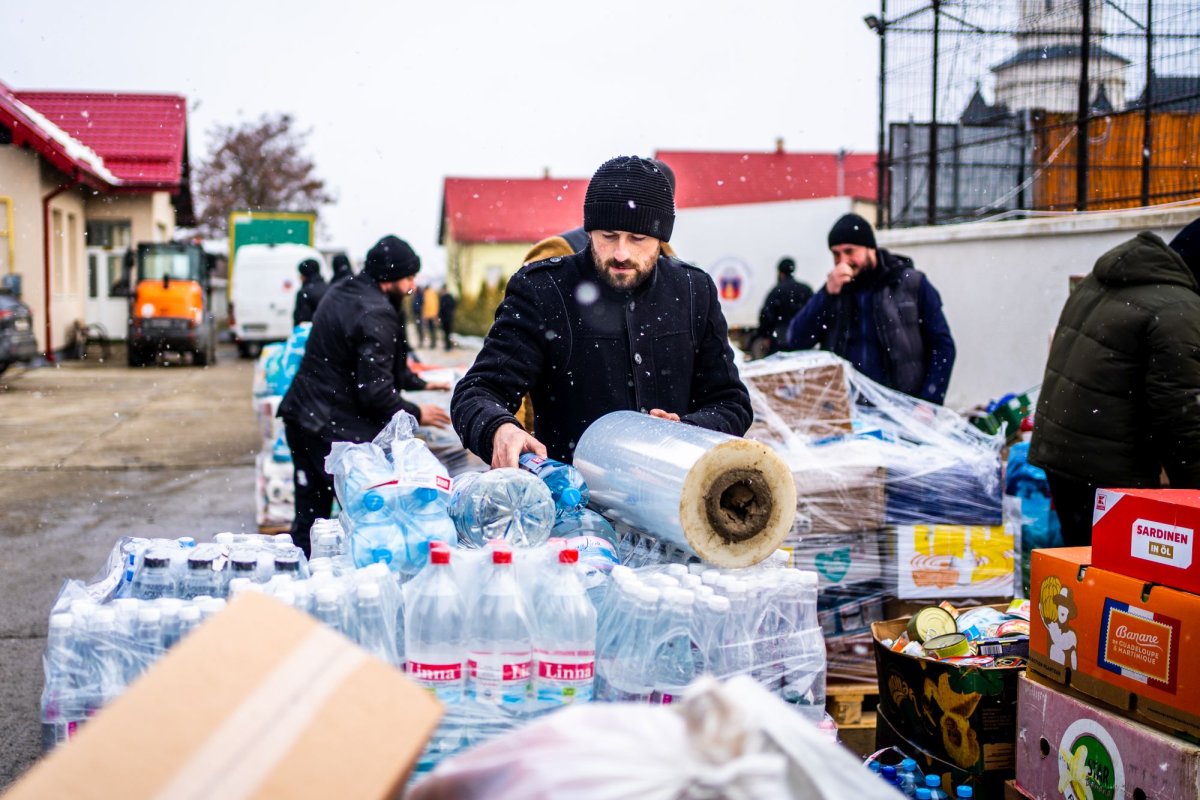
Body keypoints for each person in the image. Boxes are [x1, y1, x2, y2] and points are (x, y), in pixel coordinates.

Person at [452, 155, 753, 468]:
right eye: (608, 236)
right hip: (573, 500)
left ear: (660, 239)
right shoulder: (542, 290)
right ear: (590, 230)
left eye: (638, 238)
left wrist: (688, 431)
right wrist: (499, 428)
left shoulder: (693, 290)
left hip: (671, 500)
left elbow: (731, 401)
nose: (621, 253)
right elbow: (478, 391)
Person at [1029, 219, 1200, 546]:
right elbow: (1182, 419)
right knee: (1119, 581)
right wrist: (1193, 494)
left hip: (1062, 453)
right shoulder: (1179, 307)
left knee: (1082, 573)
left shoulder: (1105, 280)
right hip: (1109, 471)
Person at [278, 235, 451, 554]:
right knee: (363, 519)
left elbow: (377, 366)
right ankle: (330, 584)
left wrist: (421, 383)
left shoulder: (344, 291)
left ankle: (303, 574)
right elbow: (376, 393)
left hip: (303, 416)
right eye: (409, 278)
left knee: (310, 516)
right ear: (390, 278)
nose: (413, 285)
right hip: (330, 428)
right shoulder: (376, 313)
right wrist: (417, 412)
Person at [784, 213, 956, 404]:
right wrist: (826, 294)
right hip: (848, 413)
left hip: (902, 410)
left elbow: (943, 347)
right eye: (836, 254)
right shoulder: (835, 292)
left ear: (870, 248)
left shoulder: (911, 283)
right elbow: (795, 339)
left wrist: (928, 403)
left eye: (850, 252)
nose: (843, 261)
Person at [753, 257, 813, 357]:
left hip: (780, 342)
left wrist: (765, 334)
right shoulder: (806, 290)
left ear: (780, 273)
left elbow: (766, 316)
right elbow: (813, 315)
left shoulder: (776, 291)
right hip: (802, 342)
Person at [292, 257, 328, 326]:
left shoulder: (304, 292)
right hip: (328, 332)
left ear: (305, 275)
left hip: (313, 333)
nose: (299, 277)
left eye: (301, 274)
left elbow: (301, 320)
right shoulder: (330, 288)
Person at [421, 284, 441, 349]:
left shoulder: (426, 294)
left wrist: (424, 314)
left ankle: (433, 343)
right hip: (433, 314)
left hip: (429, 315)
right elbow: (436, 304)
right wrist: (436, 313)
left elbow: (425, 305)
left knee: (430, 329)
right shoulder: (433, 293)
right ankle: (433, 343)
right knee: (433, 329)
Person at [438, 286, 457, 351]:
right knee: (448, 332)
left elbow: (441, 309)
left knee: (447, 332)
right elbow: (454, 306)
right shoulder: (450, 297)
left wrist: (440, 316)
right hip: (448, 317)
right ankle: (449, 345)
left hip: (446, 318)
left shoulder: (444, 298)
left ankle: (448, 345)